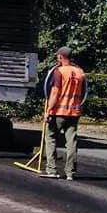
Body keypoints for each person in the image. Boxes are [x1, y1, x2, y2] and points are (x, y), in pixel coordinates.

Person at [42, 46, 85, 180]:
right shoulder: (80, 72)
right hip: (74, 112)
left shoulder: (59, 71)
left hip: (58, 111)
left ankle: (52, 170)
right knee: (71, 142)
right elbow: (83, 93)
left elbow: (55, 92)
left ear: (60, 57)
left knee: (50, 138)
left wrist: (48, 110)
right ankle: (70, 172)